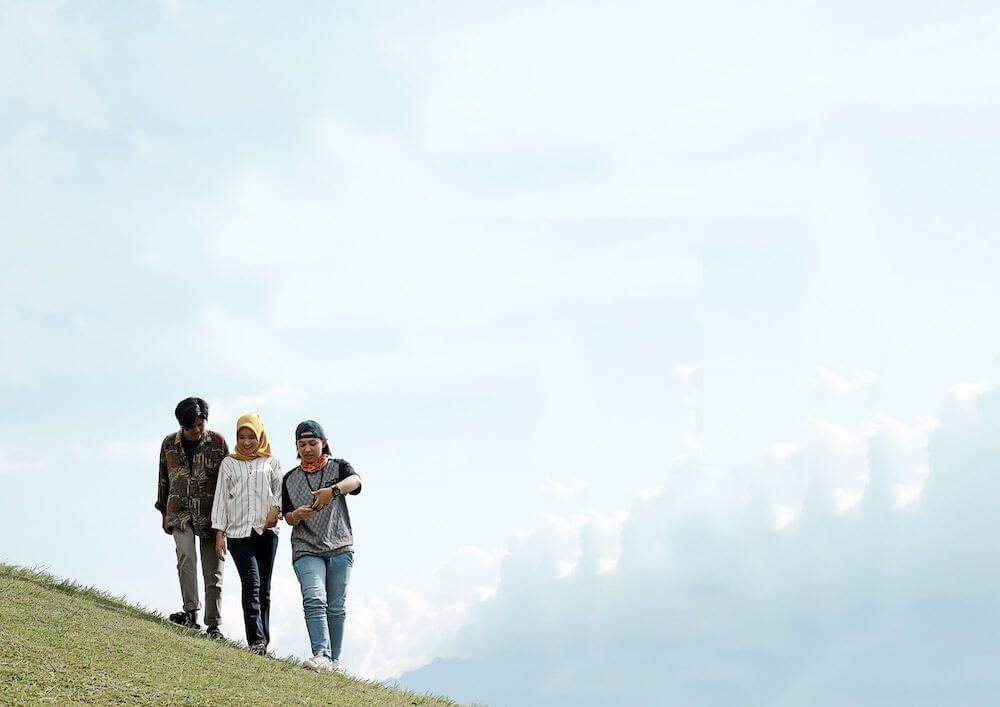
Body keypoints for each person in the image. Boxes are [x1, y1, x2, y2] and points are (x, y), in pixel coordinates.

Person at [282, 420, 362, 673]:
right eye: (302, 444)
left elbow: (357, 481)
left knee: (336, 605)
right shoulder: (289, 478)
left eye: (312, 443)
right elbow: (287, 517)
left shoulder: (339, 467)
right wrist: (298, 515)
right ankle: (321, 654)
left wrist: (333, 491)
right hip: (306, 546)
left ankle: (335, 661)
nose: (307, 448)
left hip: (339, 544)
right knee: (314, 598)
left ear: (323, 443)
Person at [155, 396, 229, 638]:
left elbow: (228, 483)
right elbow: (163, 479)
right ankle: (190, 613)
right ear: (182, 425)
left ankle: (214, 624)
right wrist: (163, 512)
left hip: (211, 516)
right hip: (179, 513)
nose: (197, 430)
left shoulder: (218, 442)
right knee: (185, 558)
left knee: (214, 571)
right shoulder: (168, 444)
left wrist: (224, 525)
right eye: (192, 426)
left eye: (201, 424)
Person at [211, 412, 283, 655]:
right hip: (239, 533)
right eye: (242, 437)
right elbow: (221, 498)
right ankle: (256, 641)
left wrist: (277, 509)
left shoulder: (271, 462)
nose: (247, 442)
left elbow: (280, 492)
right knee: (251, 583)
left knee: (264, 587)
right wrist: (220, 532)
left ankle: (264, 641)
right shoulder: (229, 464)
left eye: (252, 437)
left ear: (260, 436)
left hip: (267, 532)